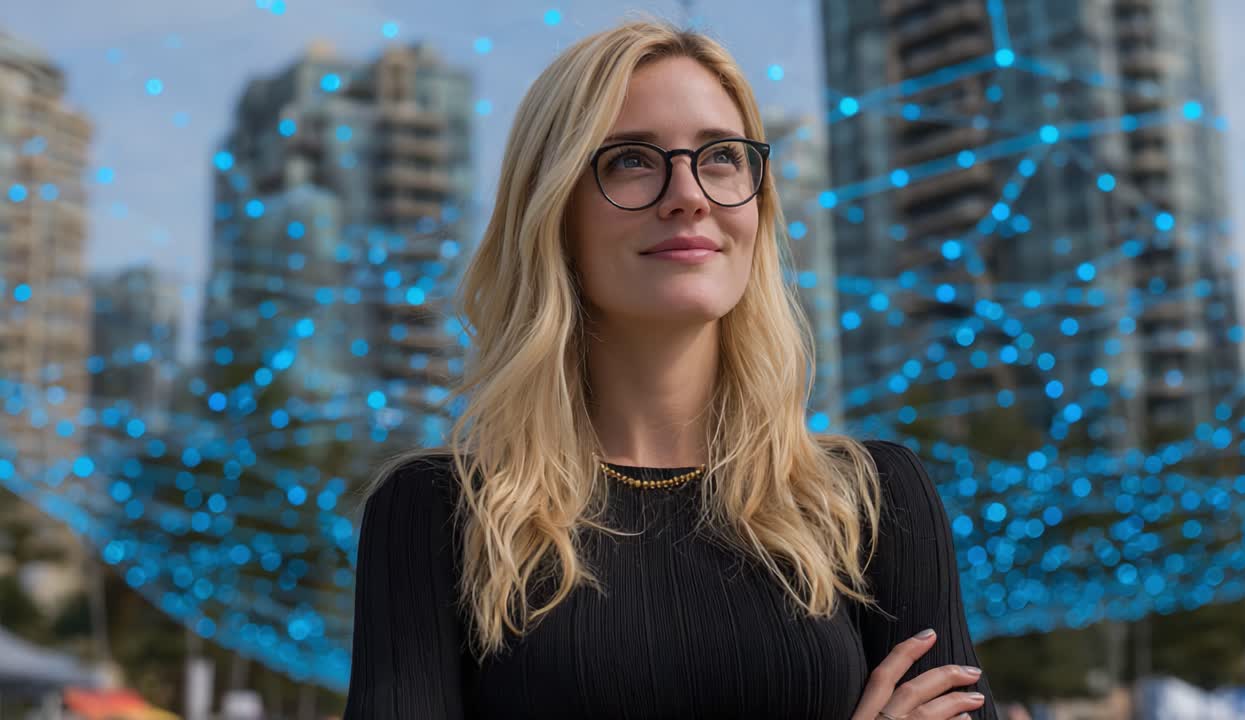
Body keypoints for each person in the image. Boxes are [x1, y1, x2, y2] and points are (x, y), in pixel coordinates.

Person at [343, 18, 997, 720]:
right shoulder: (439, 514)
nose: (688, 194)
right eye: (631, 159)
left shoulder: (871, 503)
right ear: (553, 211)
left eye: (720, 157)